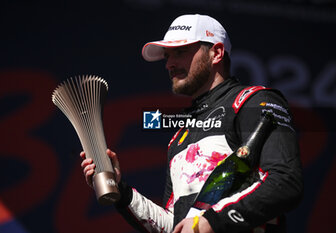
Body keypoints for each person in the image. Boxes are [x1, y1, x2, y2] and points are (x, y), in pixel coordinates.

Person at [81, 14, 303, 233]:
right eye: (167, 56)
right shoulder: (179, 136)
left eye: (180, 52)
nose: (169, 64)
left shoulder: (252, 102)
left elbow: (284, 182)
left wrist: (211, 222)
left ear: (216, 53)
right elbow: (175, 225)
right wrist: (119, 190)